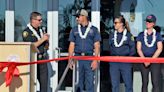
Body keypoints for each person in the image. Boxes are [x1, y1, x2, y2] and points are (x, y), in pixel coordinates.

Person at [68, 9, 101, 92]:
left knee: (90, 82)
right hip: (78, 57)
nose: (76, 19)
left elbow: (97, 46)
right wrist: (70, 59)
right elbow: (72, 45)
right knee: (78, 82)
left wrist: (95, 60)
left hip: (89, 57)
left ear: (84, 16)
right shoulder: (74, 30)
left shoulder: (94, 30)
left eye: (78, 17)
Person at [22, 12, 49, 92]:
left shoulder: (41, 30)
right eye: (39, 20)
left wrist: (47, 41)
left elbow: (46, 46)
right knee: (31, 84)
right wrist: (42, 39)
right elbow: (31, 46)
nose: (41, 21)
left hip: (43, 59)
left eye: (41, 20)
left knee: (44, 84)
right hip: (33, 60)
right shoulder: (27, 32)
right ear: (33, 20)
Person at [108, 15, 135, 92]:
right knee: (114, 85)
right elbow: (110, 47)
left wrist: (126, 58)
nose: (114, 24)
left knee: (128, 85)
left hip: (125, 62)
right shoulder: (112, 35)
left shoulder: (129, 35)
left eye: (116, 23)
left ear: (121, 24)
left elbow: (133, 50)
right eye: (114, 23)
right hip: (114, 63)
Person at [136, 14, 163, 92]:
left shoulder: (158, 35)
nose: (147, 23)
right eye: (147, 21)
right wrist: (144, 60)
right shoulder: (141, 35)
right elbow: (138, 49)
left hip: (155, 60)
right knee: (144, 82)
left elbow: (160, 49)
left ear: (153, 23)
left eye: (150, 22)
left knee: (155, 82)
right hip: (143, 60)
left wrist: (151, 60)